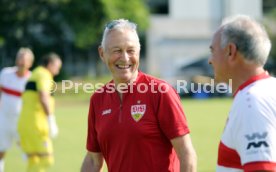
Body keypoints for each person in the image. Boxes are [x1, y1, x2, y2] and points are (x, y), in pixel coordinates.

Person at [81, 19, 197, 172]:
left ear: (139, 51)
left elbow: (186, 153)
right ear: (102, 53)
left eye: (131, 50)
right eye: (116, 50)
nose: (125, 58)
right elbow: (93, 160)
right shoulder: (98, 100)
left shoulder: (160, 92)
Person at [209, 15, 276, 171]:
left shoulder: (252, 102)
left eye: (212, 51)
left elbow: (263, 169)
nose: (210, 60)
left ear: (230, 51)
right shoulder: (268, 89)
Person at [17, 53, 62, 172]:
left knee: (34, 161)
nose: (58, 71)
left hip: (25, 125)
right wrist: (51, 120)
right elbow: (43, 95)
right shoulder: (44, 74)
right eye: (57, 67)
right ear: (50, 64)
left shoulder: (36, 73)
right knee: (46, 159)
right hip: (36, 126)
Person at [0, 47, 34, 172]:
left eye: (25, 61)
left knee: (28, 152)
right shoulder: (5, 73)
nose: (22, 63)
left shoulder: (31, 79)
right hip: (4, 120)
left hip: (22, 122)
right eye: (20, 59)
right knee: (1, 151)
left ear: (30, 63)